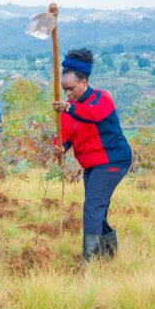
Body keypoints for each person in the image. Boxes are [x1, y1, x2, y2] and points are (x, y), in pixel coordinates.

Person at [52, 48, 132, 265]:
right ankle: (108, 256)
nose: (68, 93)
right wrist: (59, 147)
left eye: (71, 88)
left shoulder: (101, 99)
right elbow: (65, 135)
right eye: (65, 90)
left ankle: (90, 262)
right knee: (98, 210)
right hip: (92, 165)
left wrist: (68, 108)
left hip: (113, 160)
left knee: (92, 207)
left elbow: (92, 115)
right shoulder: (70, 109)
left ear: (84, 81)